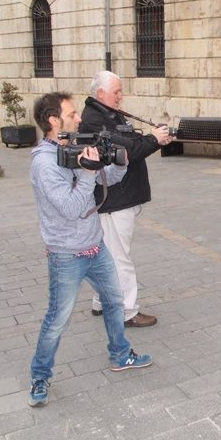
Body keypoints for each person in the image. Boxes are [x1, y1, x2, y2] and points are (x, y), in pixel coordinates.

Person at [28, 92, 152, 407]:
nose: (79, 117)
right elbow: (70, 207)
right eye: (72, 113)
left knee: (114, 301)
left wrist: (117, 161)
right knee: (58, 317)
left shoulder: (75, 144)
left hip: (95, 245)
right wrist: (86, 174)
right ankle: (40, 375)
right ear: (53, 120)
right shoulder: (44, 162)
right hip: (66, 253)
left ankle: (120, 354)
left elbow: (105, 176)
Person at [79, 71, 172, 327]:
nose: (121, 96)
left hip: (120, 197)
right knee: (120, 258)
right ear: (100, 94)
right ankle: (126, 311)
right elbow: (127, 152)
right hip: (113, 201)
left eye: (120, 91)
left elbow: (130, 141)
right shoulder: (94, 120)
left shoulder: (107, 114)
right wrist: (155, 139)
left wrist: (153, 138)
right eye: (116, 92)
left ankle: (101, 301)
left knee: (107, 255)